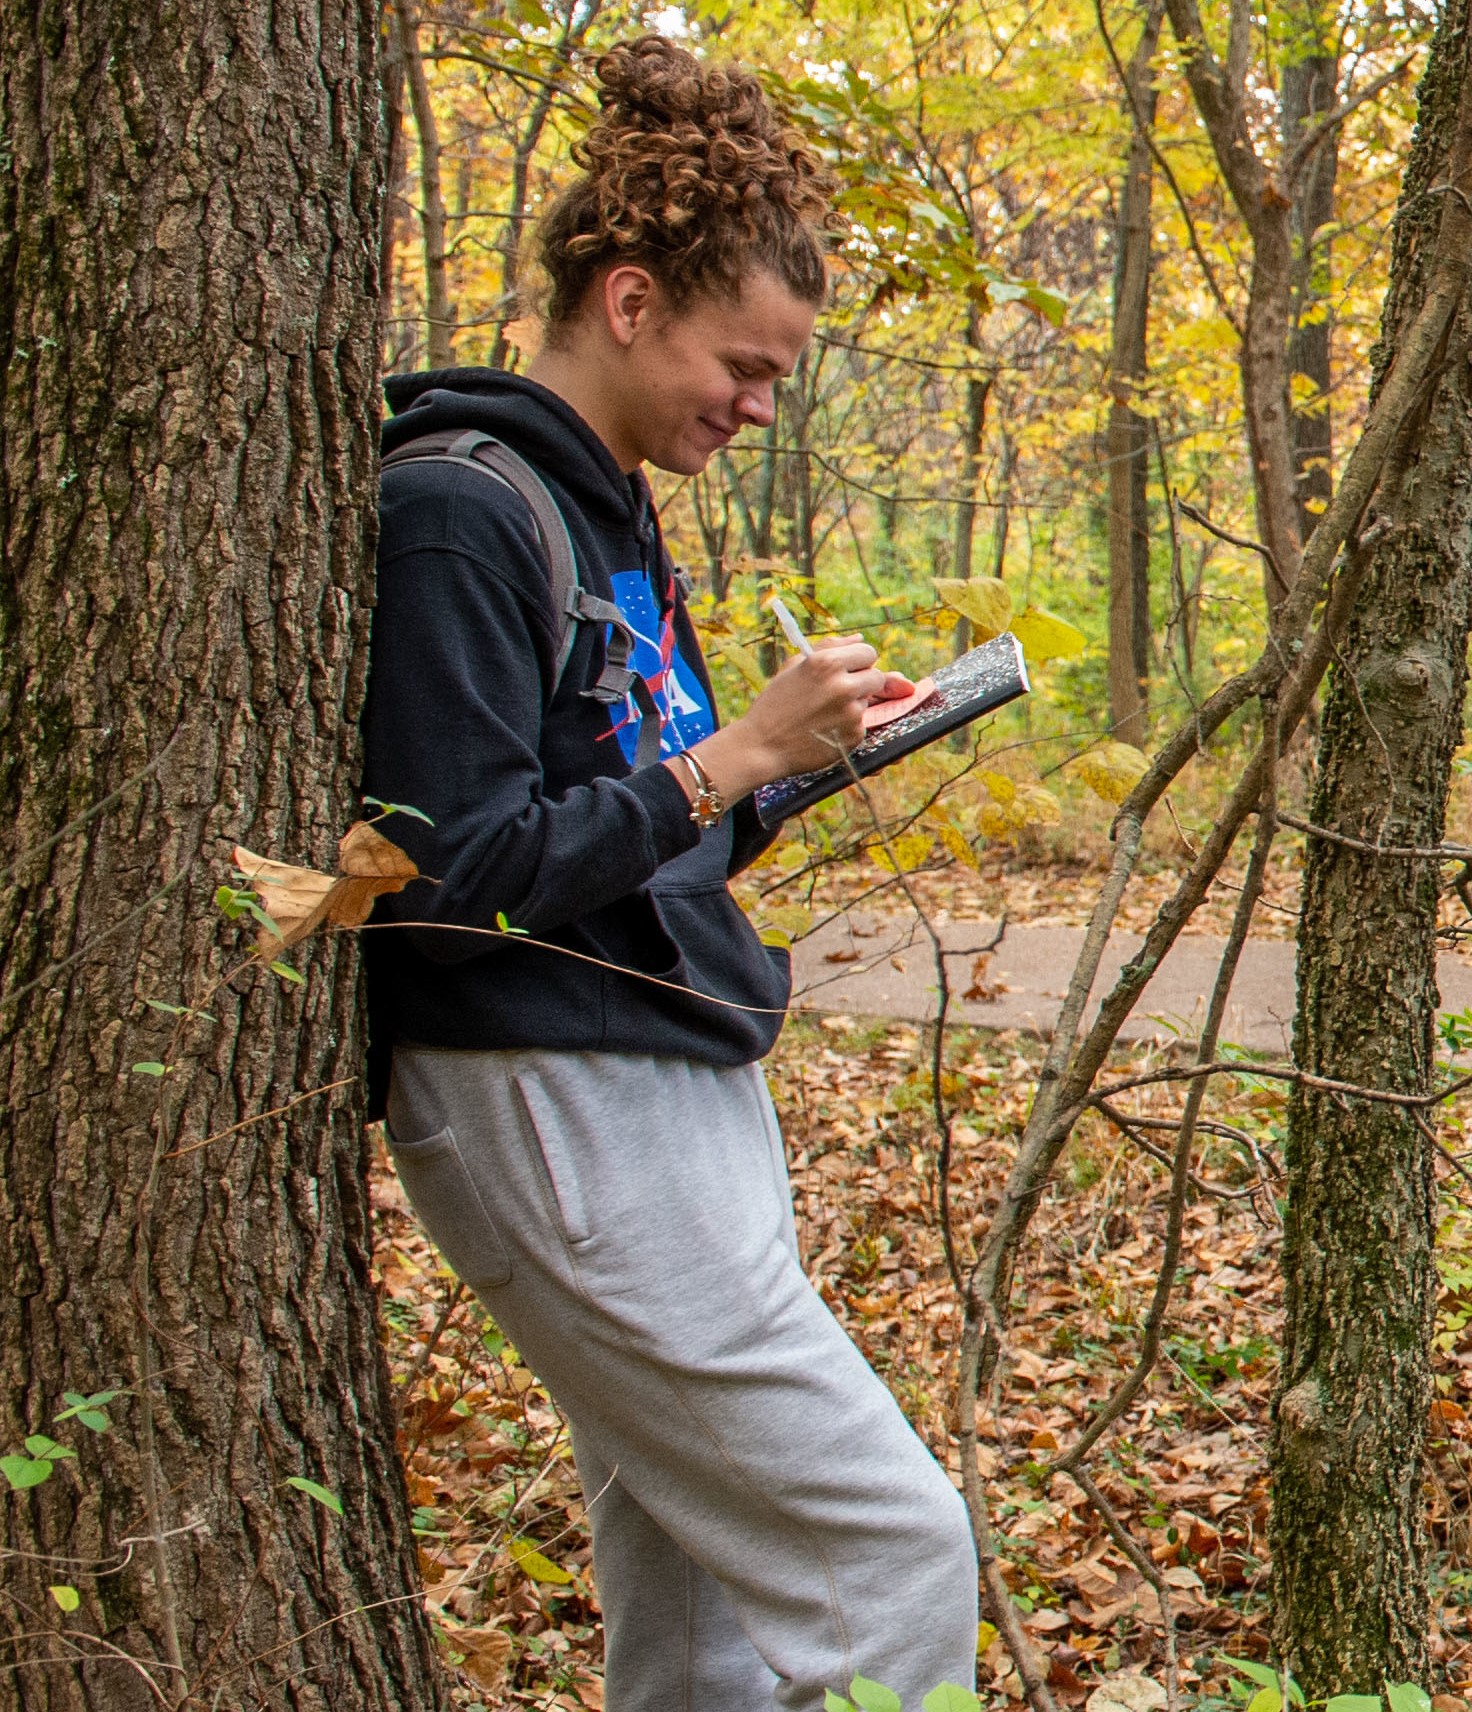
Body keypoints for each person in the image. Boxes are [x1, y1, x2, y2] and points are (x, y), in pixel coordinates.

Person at [366, 38, 980, 1711]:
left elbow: (656, 821)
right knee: (897, 1554)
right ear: (628, 300)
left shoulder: (616, 517)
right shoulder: (458, 511)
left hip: (670, 1070)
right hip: (548, 1088)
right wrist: (724, 761)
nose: (759, 405)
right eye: (745, 362)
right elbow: (446, 878)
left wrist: (790, 765)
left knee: (707, 1597)